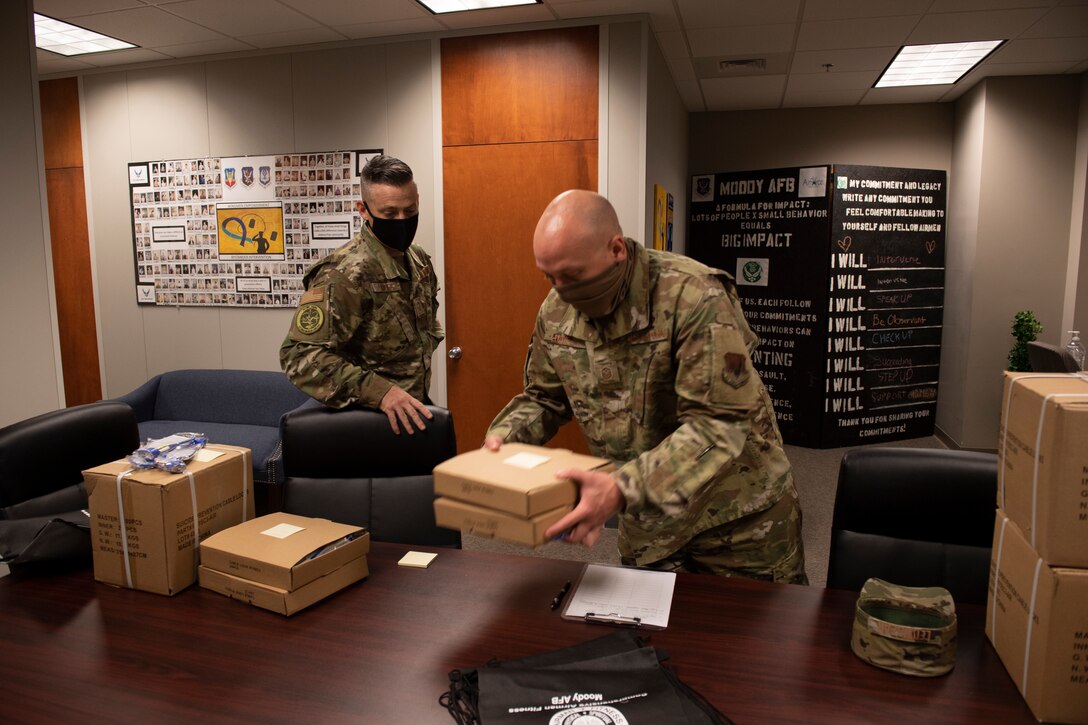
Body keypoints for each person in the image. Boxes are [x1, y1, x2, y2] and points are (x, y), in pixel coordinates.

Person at [484, 190, 807, 583]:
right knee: (651, 639)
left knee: (758, 641)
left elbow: (718, 424)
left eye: (572, 276)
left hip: (736, 520)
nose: (560, 289)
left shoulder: (693, 295)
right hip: (648, 525)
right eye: (549, 276)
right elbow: (545, 397)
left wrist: (619, 488)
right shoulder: (555, 312)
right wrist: (503, 440)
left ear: (616, 249)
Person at [279, 155, 443, 434]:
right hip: (365, 422)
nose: (402, 221)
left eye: (410, 210)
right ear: (363, 210)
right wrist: (380, 392)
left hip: (410, 413)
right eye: (390, 214)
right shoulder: (343, 273)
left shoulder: (419, 261)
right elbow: (300, 357)